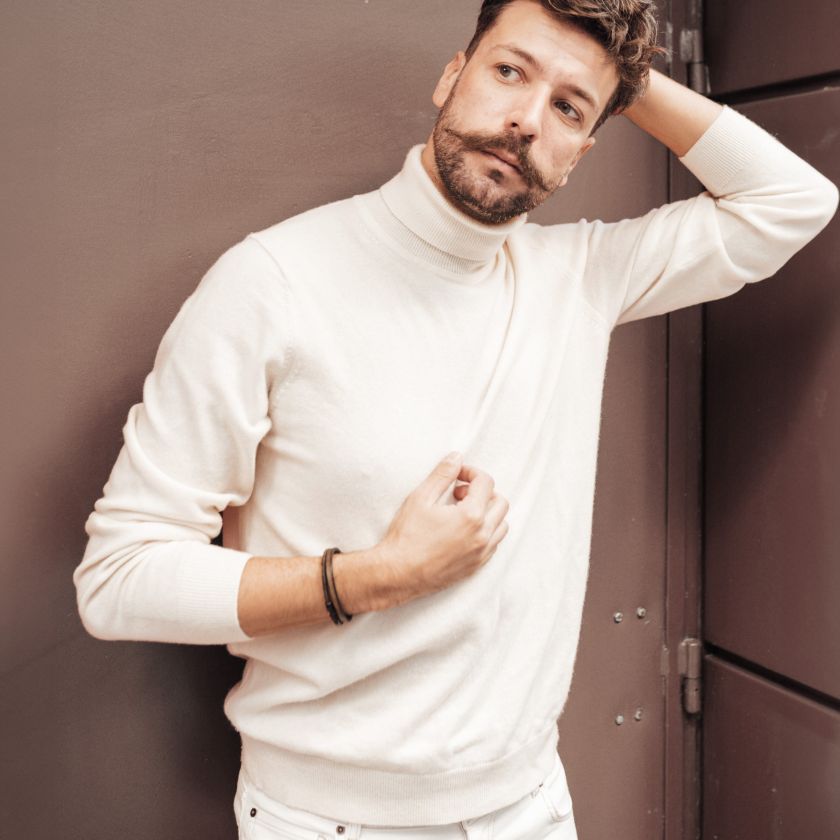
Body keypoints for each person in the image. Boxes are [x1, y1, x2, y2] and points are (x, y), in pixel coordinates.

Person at [73, 0, 837, 837]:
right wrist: (377, 576)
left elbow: (793, 201)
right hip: (322, 820)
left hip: (531, 807)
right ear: (451, 76)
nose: (525, 121)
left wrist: (622, 73)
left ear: (582, 151)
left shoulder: (579, 277)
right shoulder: (271, 283)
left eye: (567, 109)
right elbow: (120, 580)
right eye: (509, 71)